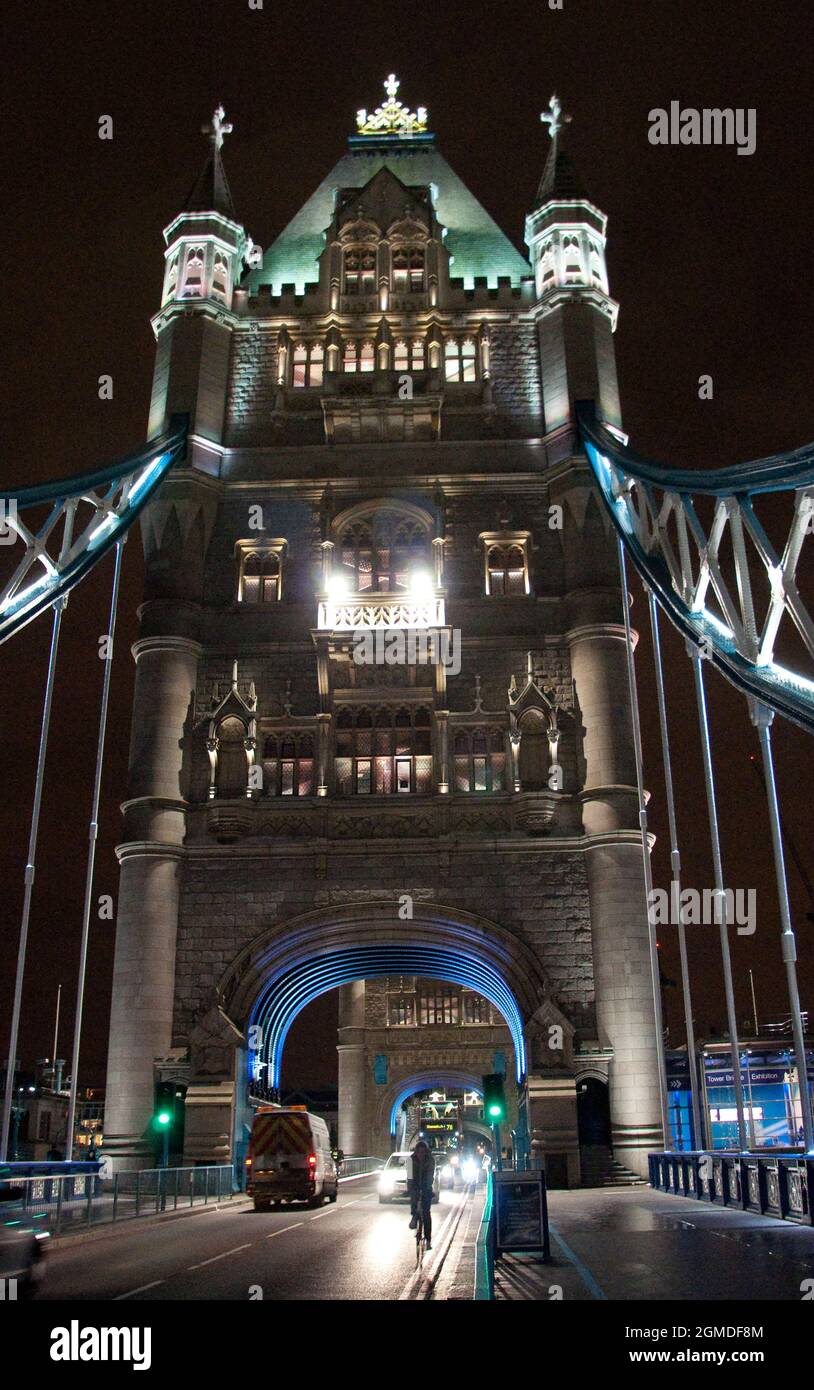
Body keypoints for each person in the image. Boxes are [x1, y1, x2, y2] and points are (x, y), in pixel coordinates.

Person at [407, 1139, 435, 1249]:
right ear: (416, 1151)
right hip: (415, 1185)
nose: (421, 1154)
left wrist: (427, 1187)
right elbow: (409, 1176)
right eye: (419, 1152)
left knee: (426, 1214)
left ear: (426, 1152)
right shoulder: (411, 1160)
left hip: (426, 1186)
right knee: (414, 1199)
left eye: (423, 1152)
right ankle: (414, 1217)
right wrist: (410, 1187)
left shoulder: (430, 1160)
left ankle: (428, 1240)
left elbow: (430, 1174)